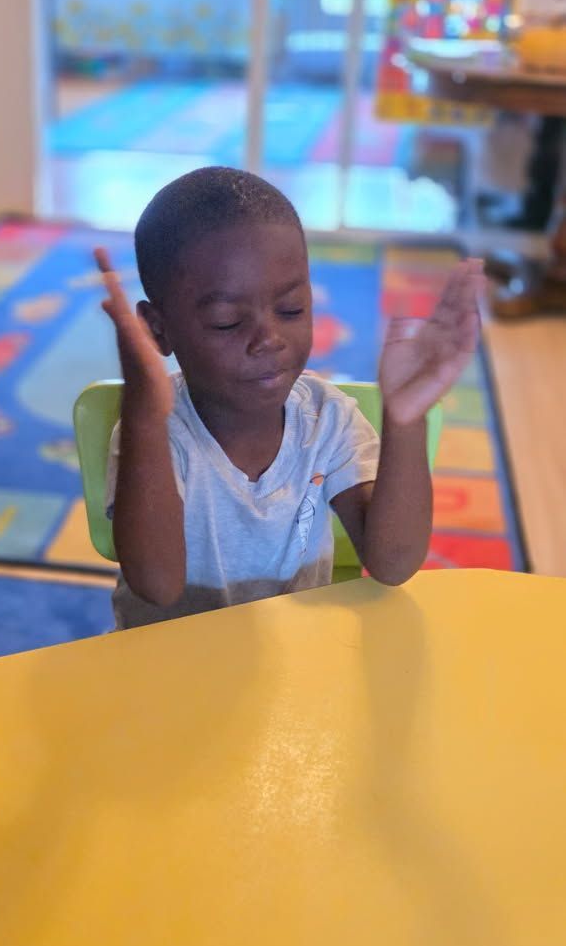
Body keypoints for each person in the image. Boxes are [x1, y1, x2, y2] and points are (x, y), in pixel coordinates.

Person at [97, 167, 483, 630]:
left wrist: (405, 421)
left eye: (291, 309)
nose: (269, 339)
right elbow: (156, 586)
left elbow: (394, 563)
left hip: (297, 659)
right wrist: (142, 417)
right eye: (227, 322)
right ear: (158, 329)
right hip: (173, 669)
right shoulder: (156, 436)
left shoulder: (328, 420)